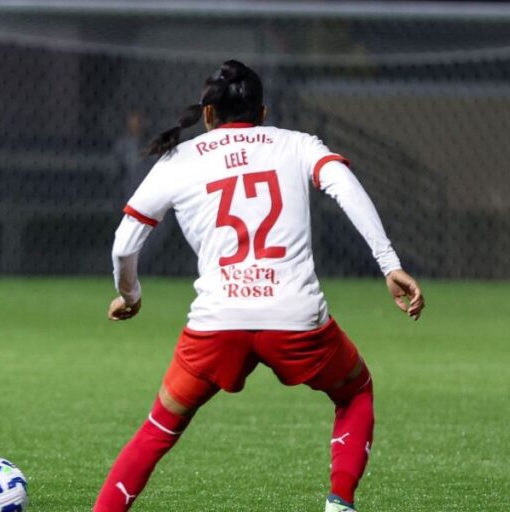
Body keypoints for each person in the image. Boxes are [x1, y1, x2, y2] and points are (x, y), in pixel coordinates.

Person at [93, 60, 424, 512]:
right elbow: (343, 184)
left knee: (158, 429)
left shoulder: (179, 159)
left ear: (208, 115)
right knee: (354, 392)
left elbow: (124, 244)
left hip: (216, 324)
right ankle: (340, 502)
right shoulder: (297, 145)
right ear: (263, 111)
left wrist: (130, 295)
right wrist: (389, 263)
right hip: (296, 319)